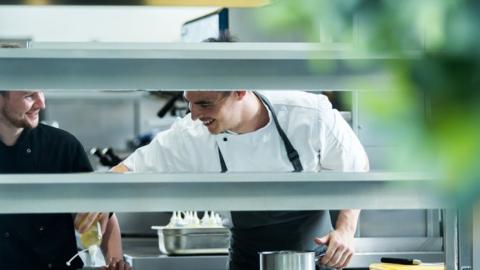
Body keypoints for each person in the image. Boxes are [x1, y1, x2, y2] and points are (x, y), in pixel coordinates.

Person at [111, 90, 369, 270]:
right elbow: (129, 170)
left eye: (204, 104)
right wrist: (97, 199)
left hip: (315, 258)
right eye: (189, 102)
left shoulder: (308, 114)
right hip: (247, 258)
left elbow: (354, 168)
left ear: (239, 91)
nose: (193, 115)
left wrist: (345, 230)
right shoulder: (190, 134)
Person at [0, 89, 130, 270]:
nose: (41, 103)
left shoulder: (62, 146)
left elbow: (99, 212)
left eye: (41, 92)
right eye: (29, 96)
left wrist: (115, 262)